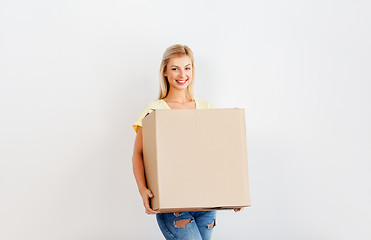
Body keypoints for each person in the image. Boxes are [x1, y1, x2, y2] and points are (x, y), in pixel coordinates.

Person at [131, 44, 243, 240]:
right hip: (173, 205)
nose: (182, 74)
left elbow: (220, 153)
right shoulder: (154, 110)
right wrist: (143, 190)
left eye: (187, 68)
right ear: (165, 71)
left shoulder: (207, 108)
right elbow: (138, 154)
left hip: (206, 204)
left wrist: (234, 191)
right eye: (175, 68)